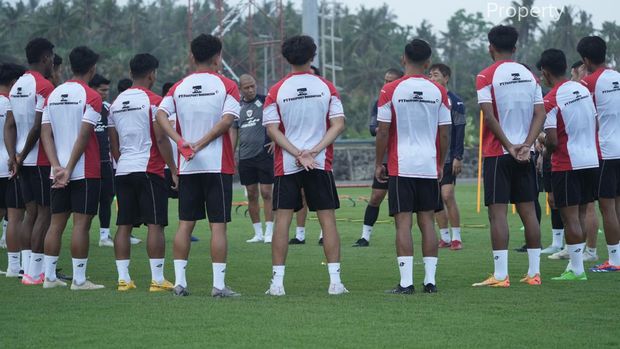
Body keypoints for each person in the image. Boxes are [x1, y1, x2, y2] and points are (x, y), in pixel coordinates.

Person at [156, 34, 240, 297]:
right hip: (217, 166)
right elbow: (228, 121)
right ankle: (218, 286)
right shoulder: (227, 85)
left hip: (188, 166)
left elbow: (159, 115)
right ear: (219, 57)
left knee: (185, 224)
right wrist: (200, 143)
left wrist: (182, 142)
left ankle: (180, 283)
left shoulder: (178, 87)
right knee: (218, 226)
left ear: (191, 56)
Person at [263, 35, 347, 296]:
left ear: (286, 58)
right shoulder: (327, 87)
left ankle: (277, 284)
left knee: (282, 222)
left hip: (287, 164)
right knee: (327, 221)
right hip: (318, 163)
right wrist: (313, 152)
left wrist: (297, 153)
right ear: (313, 55)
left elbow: (271, 130)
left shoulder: (276, 90)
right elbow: (339, 124)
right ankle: (335, 283)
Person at [375, 39, 450, 294]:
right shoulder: (439, 91)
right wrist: (440, 162)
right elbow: (444, 132)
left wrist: (378, 163)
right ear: (428, 63)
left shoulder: (390, 90)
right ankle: (430, 282)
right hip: (428, 165)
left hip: (401, 165)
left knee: (403, 224)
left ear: (403, 59)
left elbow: (382, 132)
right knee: (428, 223)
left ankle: (406, 283)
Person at [472, 25, 545, 288]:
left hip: (497, 153)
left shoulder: (485, 76)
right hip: (526, 153)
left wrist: (509, 146)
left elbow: (488, 116)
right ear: (515, 48)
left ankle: (501, 276)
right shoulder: (530, 75)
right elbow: (540, 114)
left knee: (498, 214)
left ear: (490, 47)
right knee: (529, 213)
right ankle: (534, 274)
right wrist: (526, 145)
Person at [108, 53, 178, 291]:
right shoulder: (155, 101)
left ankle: (123, 279)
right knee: (155, 224)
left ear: (130, 73)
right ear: (152, 74)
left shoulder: (115, 104)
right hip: (150, 168)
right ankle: (157, 280)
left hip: (123, 169)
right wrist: (174, 169)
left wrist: (124, 162)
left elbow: (113, 145)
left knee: (124, 224)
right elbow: (160, 138)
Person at [40, 46, 104, 290]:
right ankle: (78, 280)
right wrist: (68, 168)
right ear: (92, 68)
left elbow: (46, 133)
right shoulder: (92, 97)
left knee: (56, 224)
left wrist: (56, 166)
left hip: (56, 172)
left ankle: (49, 277)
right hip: (83, 171)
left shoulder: (53, 95)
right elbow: (84, 135)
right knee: (81, 225)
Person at [537, 48, 599, 280]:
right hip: (590, 159)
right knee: (582, 213)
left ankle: (576, 269)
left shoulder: (551, 99)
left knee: (570, 217)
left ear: (544, 72)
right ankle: (578, 264)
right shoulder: (583, 89)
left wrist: (543, 142)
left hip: (567, 163)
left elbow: (552, 139)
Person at [5, 37, 55, 285]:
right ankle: (35, 273)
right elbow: (38, 127)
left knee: (29, 214)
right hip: (40, 159)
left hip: (22, 161)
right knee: (45, 214)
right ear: (46, 57)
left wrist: (13, 156)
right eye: (53, 57)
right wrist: (22, 155)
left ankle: (27, 270)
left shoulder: (16, 86)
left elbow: (10, 125)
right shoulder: (44, 86)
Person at [578, 36, 620, 272]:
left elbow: (586, 119)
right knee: (617, 206)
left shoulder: (588, 83)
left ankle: (614, 260)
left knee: (607, 208)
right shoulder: (618, 77)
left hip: (604, 152)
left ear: (585, 59)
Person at [351, 68, 403, 248]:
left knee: (403, 203)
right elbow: (374, 128)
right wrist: (384, 128)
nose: (386, 84)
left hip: (405, 159)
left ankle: (404, 239)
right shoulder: (379, 102)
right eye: (385, 80)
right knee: (376, 197)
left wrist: (386, 127)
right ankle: (364, 237)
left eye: (390, 81)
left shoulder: (405, 102)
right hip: (387, 159)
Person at [230, 74, 274, 244]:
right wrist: (232, 154)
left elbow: (278, 121)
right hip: (245, 157)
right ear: (240, 89)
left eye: (253, 86)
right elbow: (233, 131)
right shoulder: (236, 107)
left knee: (266, 193)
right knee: (252, 195)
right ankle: (258, 233)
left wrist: (276, 142)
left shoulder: (265, 101)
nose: (251, 90)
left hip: (264, 154)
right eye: (247, 87)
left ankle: (270, 231)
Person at [429, 63, 466, 250]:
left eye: (436, 75)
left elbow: (459, 130)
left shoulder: (456, 102)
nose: (432, 79)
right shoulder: (428, 99)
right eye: (430, 75)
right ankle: (444, 237)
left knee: (447, 194)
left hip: (449, 157)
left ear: (446, 78)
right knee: (435, 198)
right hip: (429, 157)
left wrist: (458, 156)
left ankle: (457, 237)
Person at [0, 63, 27, 275]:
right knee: (15, 217)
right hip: (10, 166)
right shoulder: (12, 104)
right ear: (13, 83)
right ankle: (14, 266)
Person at [89, 74, 117, 247]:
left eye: (107, 90)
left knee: (106, 199)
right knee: (87, 201)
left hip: (105, 162)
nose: (105, 93)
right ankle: (82, 232)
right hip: (88, 162)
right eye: (102, 90)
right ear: (92, 89)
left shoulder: (108, 108)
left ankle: (104, 236)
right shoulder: (85, 107)